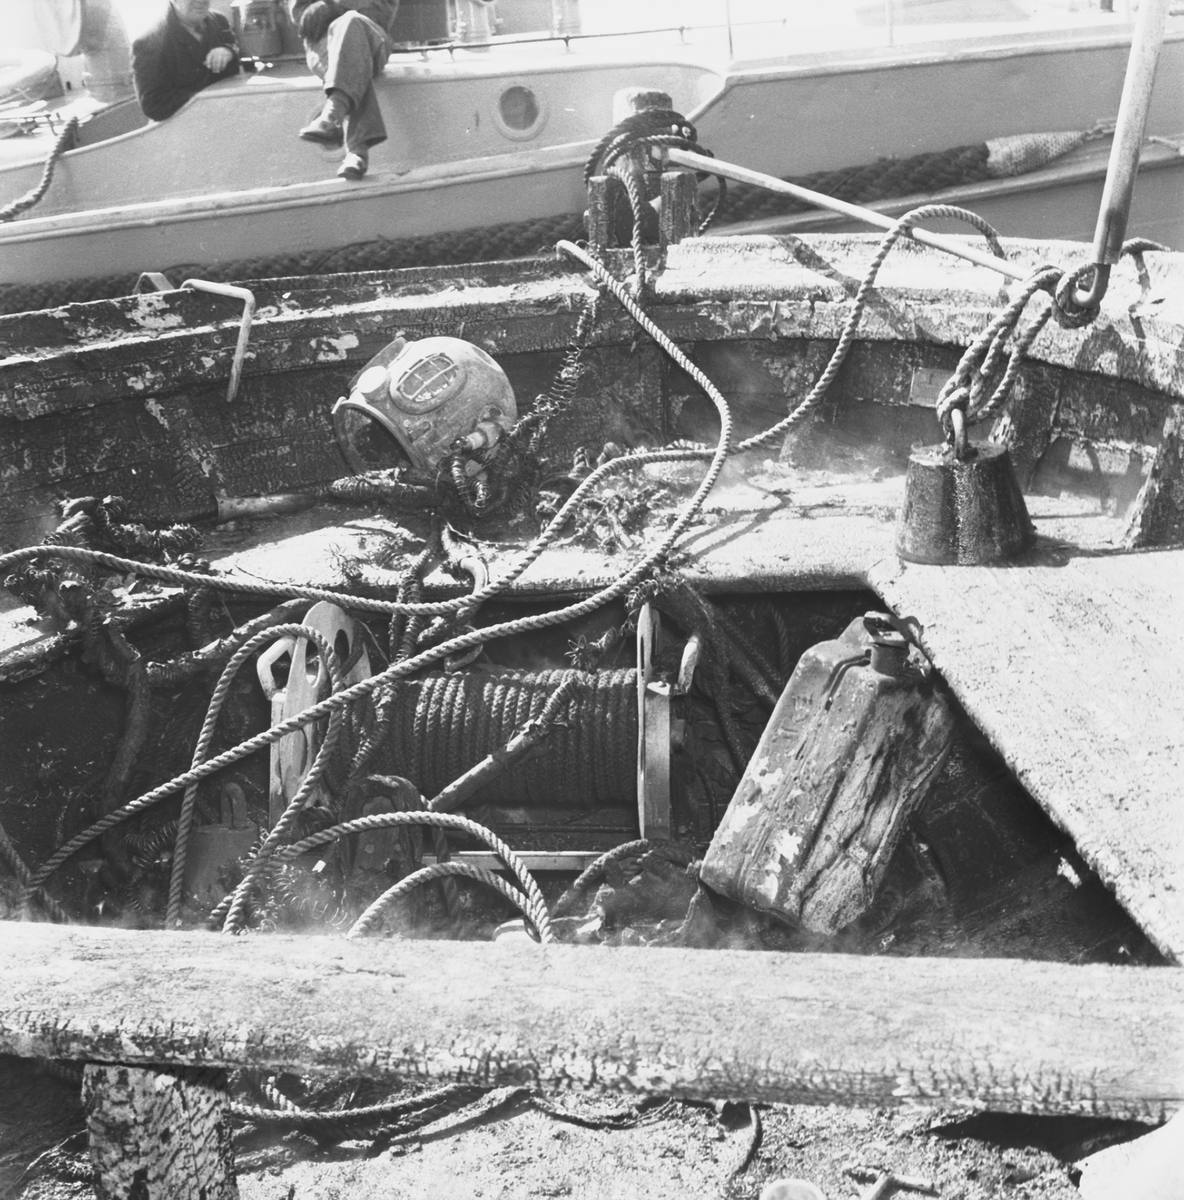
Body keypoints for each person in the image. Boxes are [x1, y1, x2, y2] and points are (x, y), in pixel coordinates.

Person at [288, 0, 399, 182]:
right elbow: (303, 15)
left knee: (352, 21)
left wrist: (330, 7)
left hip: (371, 38)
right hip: (323, 45)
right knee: (351, 54)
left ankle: (332, 115)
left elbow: (377, 12)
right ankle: (356, 150)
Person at [132, 0, 240, 122]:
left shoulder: (219, 20)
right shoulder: (149, 41)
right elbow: (154, 104)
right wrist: (208, 98)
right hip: (184, 127)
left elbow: (240, 47)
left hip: (230, 118)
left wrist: (228, 49)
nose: (202, 1)